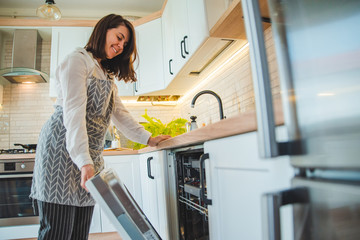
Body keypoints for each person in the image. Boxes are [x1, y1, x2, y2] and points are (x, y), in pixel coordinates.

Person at [30, 14, 171, 240]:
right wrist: (84, 161)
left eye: (125, 44)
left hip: (87, 155)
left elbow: (120, 113)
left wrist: (149, 138)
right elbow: (74, 113)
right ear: (104, 30)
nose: (120, 46)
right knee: (57, 232)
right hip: (61, 150)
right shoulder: (78, 60)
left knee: (78, 232)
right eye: (119, 37)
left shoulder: (105, 74)